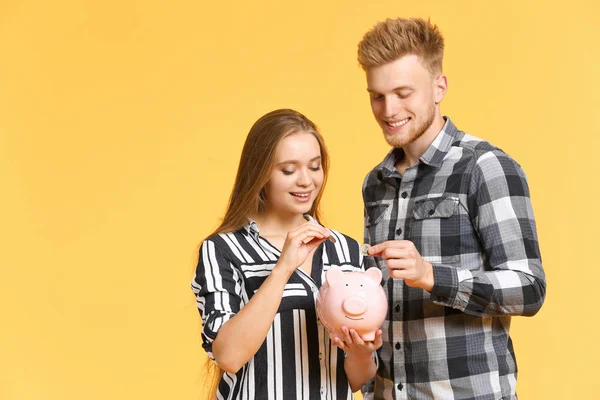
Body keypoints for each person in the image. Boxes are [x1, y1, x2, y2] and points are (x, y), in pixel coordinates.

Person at [356, 18, 546, 400]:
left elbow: (529, 288)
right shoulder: (375, 182)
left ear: (439, 87)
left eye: (403, 93)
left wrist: (431, 274)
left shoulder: (485, 167)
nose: (388, 109)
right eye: (377, 95)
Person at [191, 109, 382, 399]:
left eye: (315, 167)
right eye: (289, 170)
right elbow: (228, 356)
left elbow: (355, 380)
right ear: (261, 173)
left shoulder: (346, 249)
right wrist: (282, 268)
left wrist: (361, 354)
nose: (306, 181)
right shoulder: (223, 249)